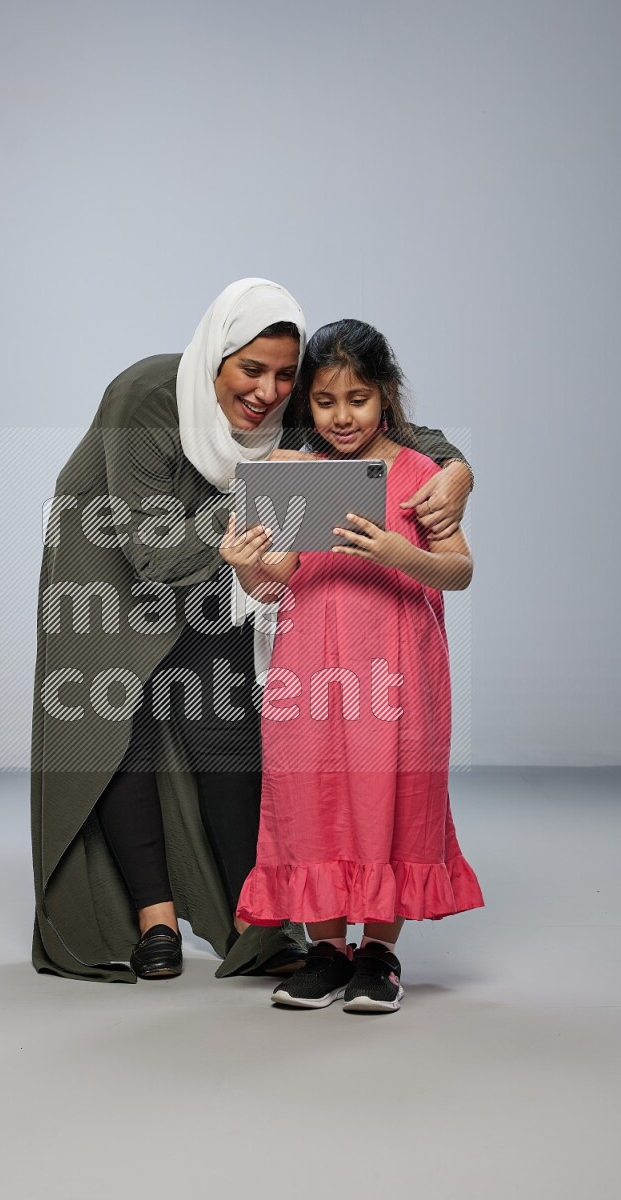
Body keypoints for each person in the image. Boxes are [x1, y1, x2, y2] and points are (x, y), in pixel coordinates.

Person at [31, 285, 475, 984]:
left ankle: (256, 922)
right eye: (250, 370)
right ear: (216, 356)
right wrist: (262, 490)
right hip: (113, 552)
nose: (268, 392)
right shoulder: (144, 398)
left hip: (225, 552)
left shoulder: (299, 406)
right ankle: (154, 916)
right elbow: (151, 553)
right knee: (121, 724)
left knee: (225, 720)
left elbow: (397, 433)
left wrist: (457, 473)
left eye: (284, 375)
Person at [222, 318, 484, 1012]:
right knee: (313, 796)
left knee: (391, 795)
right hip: (310, 666)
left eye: (358, 399)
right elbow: (277, 579)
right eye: (325, 401)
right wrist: (246, 566)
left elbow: (460, 570)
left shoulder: (421, 474)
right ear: (306, 402)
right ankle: (328, 950)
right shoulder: (300, 475)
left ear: (386, 394)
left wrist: (402, 554)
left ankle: (378, 952)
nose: (342, 417)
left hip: (399, 669)